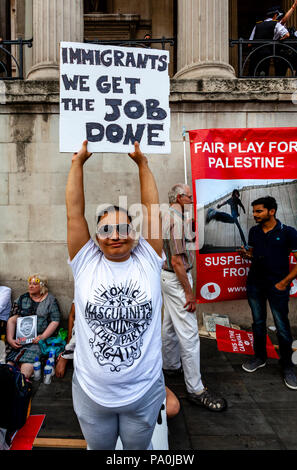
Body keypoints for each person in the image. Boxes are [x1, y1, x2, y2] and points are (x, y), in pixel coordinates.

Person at [66, 140, 166, 450]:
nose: (116, 236)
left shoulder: (149, 258)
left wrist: (143, 164)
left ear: (135, 233)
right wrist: (77, 163)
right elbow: (74, 214)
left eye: (123, 228)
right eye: (107, 230)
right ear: (96, 238)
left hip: (144, 391)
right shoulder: (85, 262)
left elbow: (151, 210)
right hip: (91, 393)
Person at [161, 183, 227, 411]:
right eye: (189, 196)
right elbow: (178, 261)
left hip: (167, 278)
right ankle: (196, 389)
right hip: (177, 279)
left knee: (169, 324)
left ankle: (169, 365)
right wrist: (189, 293)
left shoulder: (165, 215)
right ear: (179, 197)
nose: (191, 199)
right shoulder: (175, 221)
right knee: (189, 336)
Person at [55, 302, 180, 419]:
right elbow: (76, 326)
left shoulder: (137, 313)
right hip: (104, 387)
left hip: (134, 380)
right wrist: (66, 355)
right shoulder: (93, 310)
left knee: (172, 407)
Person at [239, 196, 297, 390]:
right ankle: (260, 357)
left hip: (277, 287)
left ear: (271, 211)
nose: (254, 215)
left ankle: (288, 366)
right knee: (258, 323)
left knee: (282, 326)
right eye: (254, 211)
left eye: (259, 211)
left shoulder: (288, 232)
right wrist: (247, 255)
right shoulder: (254, 231)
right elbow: (254, 254)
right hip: (255, 285)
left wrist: (284, 283)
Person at [5, 274, 61, 379]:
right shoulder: (22, 298)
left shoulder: (50, 300)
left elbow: (55, 320)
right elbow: (12, 319)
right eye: (30, 283)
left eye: (34, 284)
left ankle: (21, 384)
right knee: (8, 365)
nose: (30, 286)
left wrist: (42, 336)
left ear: (42, 286)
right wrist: (10, 339)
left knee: (26, 367)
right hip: (21, 339)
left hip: (38, 340)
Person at [248, 5, 290, 76]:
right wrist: (278, 40)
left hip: (255, 52)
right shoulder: (276, 24)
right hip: (267, 53)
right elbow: (287, 34)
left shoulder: (258, 25)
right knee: (264, 73)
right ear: (276, 15)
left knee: (253, 74)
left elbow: (249, 43)